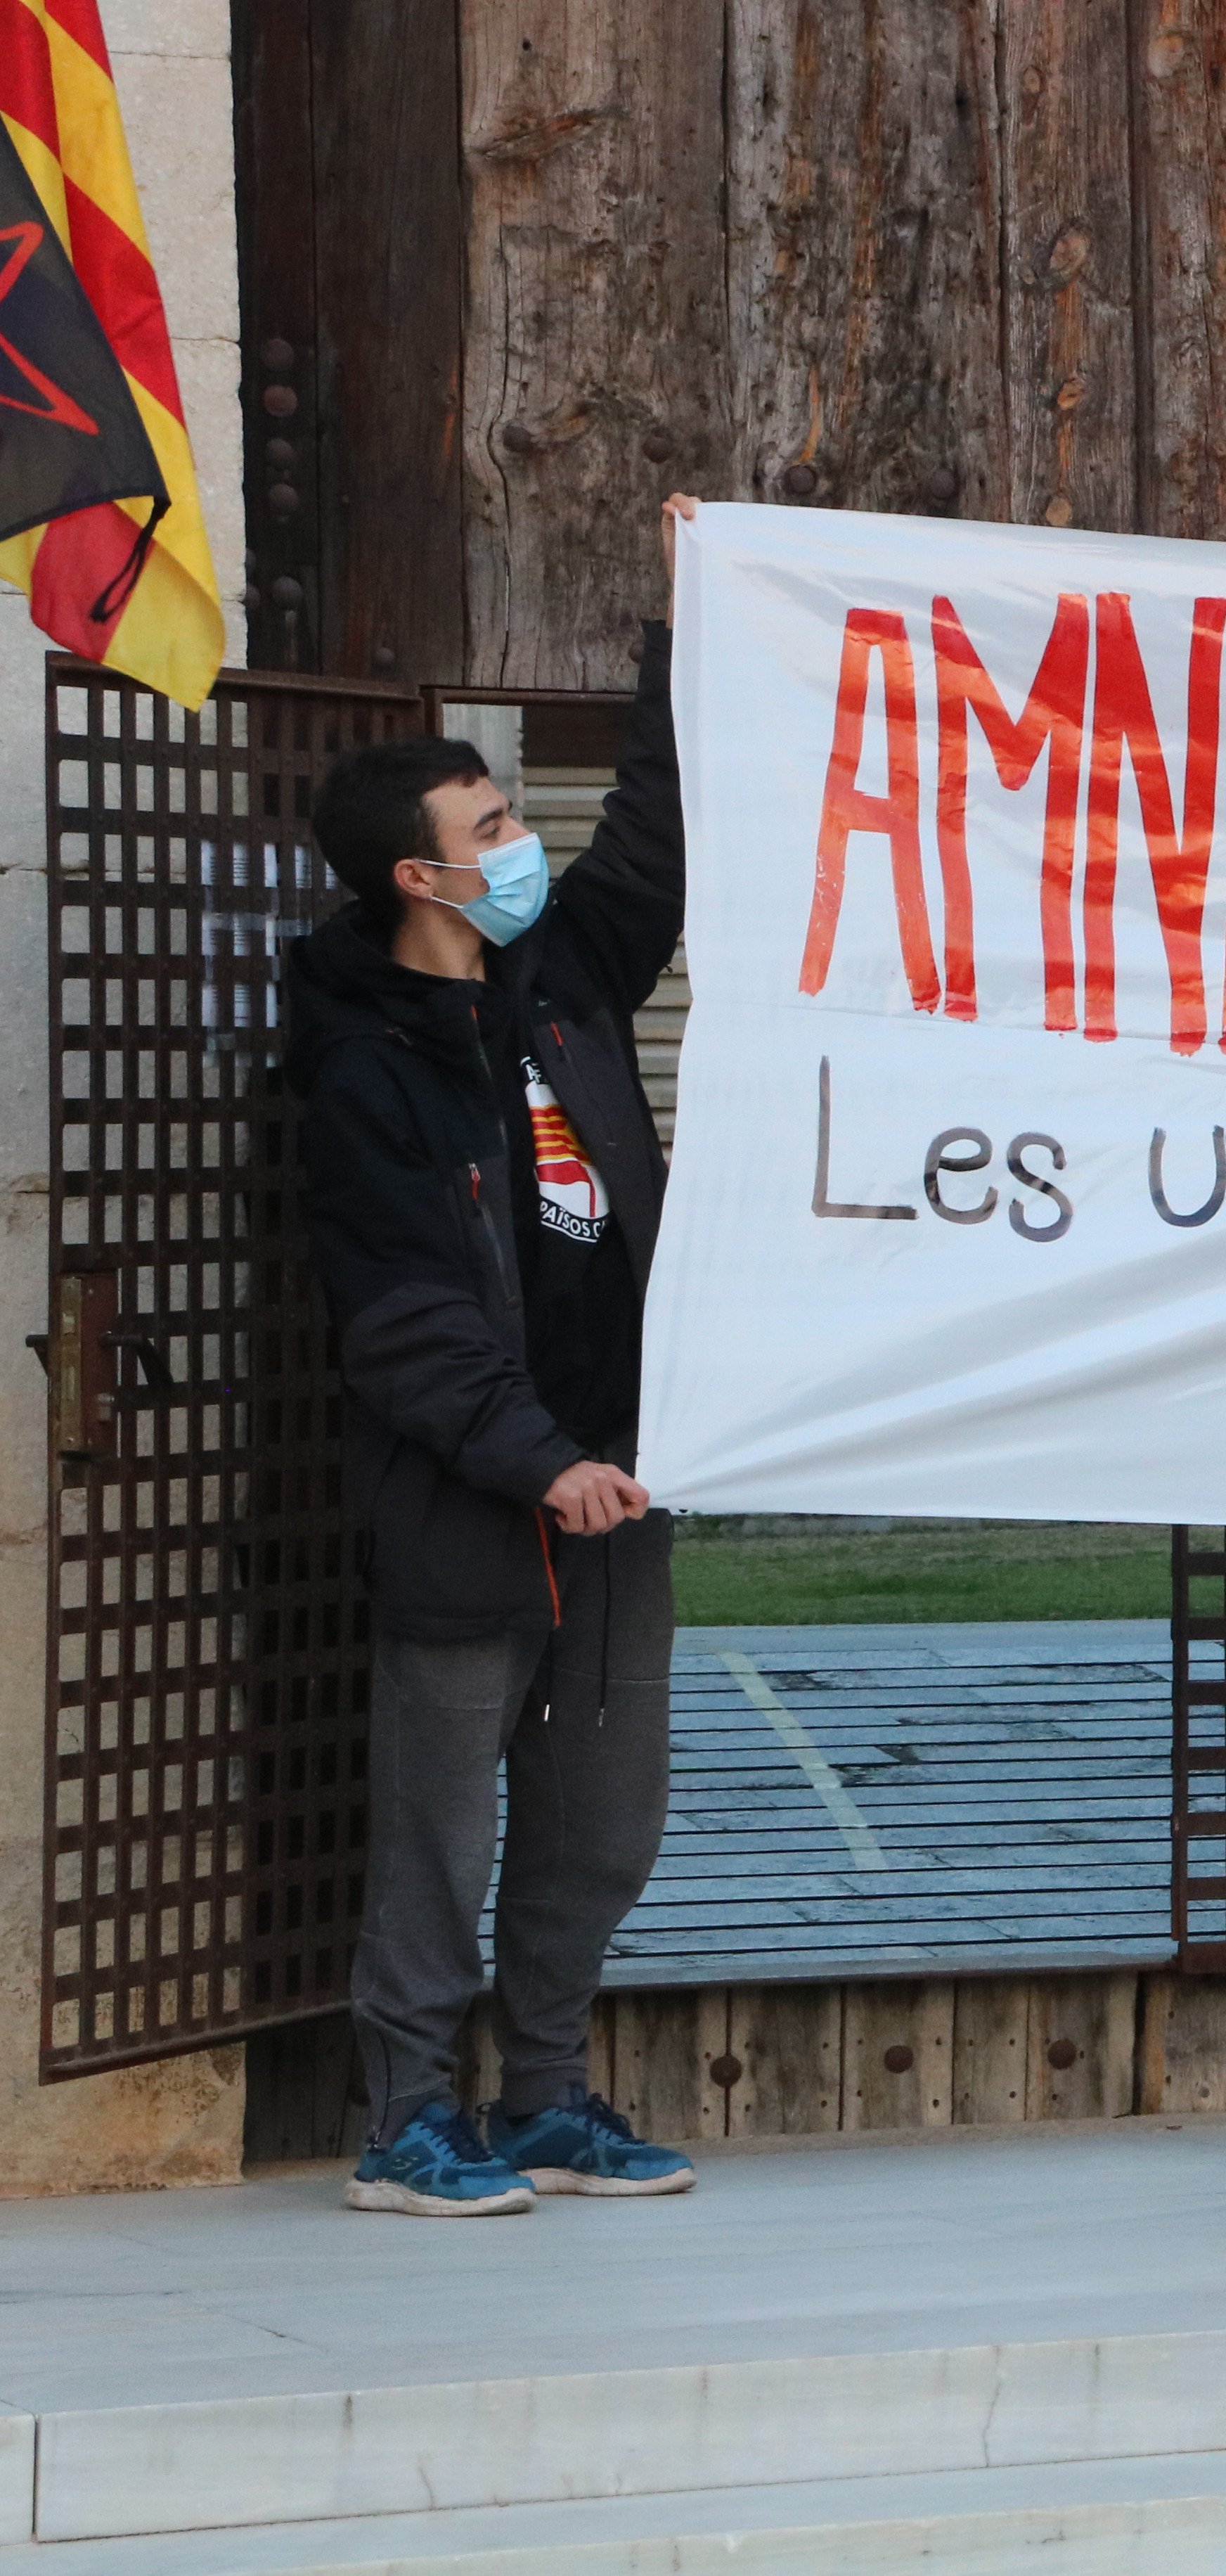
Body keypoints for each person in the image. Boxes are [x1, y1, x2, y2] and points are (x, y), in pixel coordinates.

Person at [291, 494, 702, 2216]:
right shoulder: (360, 1067)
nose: (517, 837)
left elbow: (655, 848)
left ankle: (543, 2099)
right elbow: (403, 1323)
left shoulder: (563, 971)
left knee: (601, 1827)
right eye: (487, 822)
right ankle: (407, 2122)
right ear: (419, 873)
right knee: (443, 1836)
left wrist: (692, 624)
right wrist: (539, 1455)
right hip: (484, 1504)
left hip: (627, 1487)